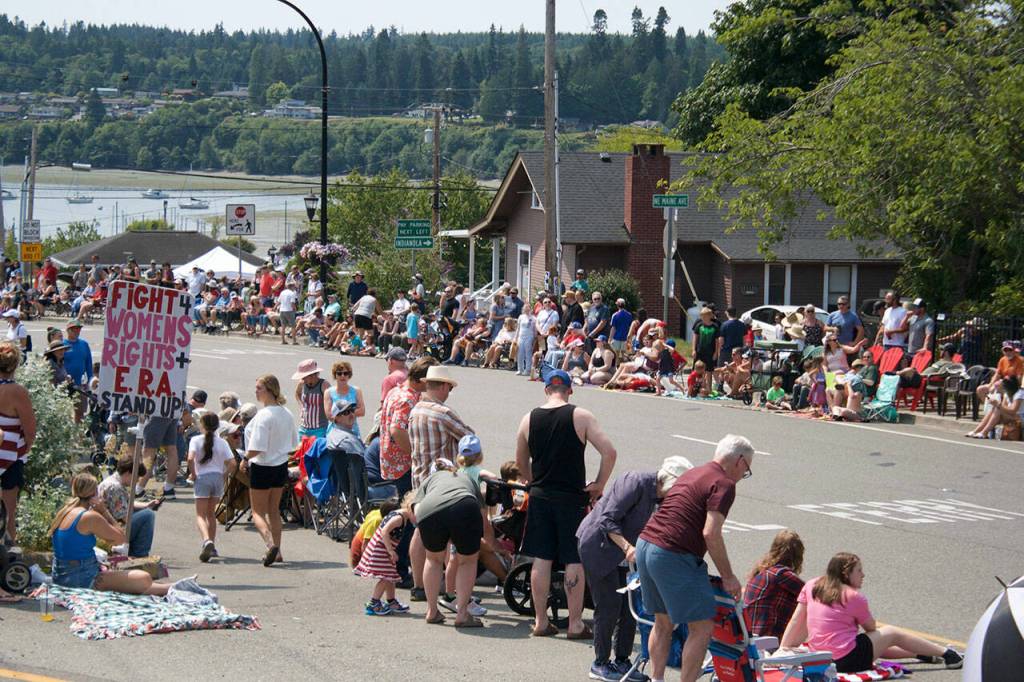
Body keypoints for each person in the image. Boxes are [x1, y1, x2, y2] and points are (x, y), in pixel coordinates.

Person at [637, 434, 754, 682]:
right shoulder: (724, 483)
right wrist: (729, 577)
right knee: (701, 627)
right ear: (740, 461)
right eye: (747, 470)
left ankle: (656, 678)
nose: (743, 476)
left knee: (662, 621)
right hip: (671, 553)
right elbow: (711, 533)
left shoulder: (694, 472)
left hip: (646, 544)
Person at [515, 369, 618, 638]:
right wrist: (599, 484)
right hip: (572, 497)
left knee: (542, 557)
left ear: (546, 389)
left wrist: (532, 481)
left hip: (540, 495)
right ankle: (575, 624)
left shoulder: (528, 419)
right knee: (574, 558)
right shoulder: (580, 416)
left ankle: (540, 621)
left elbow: (520, 463)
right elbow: (609, 452)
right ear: (570, 390)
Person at [576, 457, 691, 682]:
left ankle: (622, 661)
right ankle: (599, 663)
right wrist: (628, 547)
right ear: (669, 482)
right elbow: (607, 519)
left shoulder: (664, 498)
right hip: (599, 546)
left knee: (631, 608)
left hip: (627, 554)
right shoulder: (635, 482)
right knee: (609, 605)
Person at [780, 552, 963, 671]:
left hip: (821, 658)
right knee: (890, 632)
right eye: (859, 571)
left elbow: (798, 620)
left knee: (870, 643)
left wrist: (783, 648)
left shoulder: (812, 584)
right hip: (846, 660)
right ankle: (948, 654)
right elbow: (871, 628)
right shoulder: (853, 596)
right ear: (846, 574)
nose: (863, 575)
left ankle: (920, 653)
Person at [49, 473, 171, 595]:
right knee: (143, 578)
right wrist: (104, 511)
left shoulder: (65, 511)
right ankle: (175, 588)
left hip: (61, 577)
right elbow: (121, 538)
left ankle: (173, 588)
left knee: (141, 583)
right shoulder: (90, 517)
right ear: (94, 493)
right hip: (83, 578)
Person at [414, 465, 496, 628]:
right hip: (464, 506)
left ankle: (431, 611)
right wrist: (489, 542)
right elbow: (482, 514)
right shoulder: (467, 479)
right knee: (467, 561)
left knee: (433, 559)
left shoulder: (429, 480)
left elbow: (416, 507)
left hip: (428, 509)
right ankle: (462, 614)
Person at [241, 374, 300, 567]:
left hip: (262, 465)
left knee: (258, 511)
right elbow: (293, 443)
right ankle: (278, 551)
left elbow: (257, 446)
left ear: (270, 390)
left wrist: (245, 458)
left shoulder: (264, 415)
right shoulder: (286, 413)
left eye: (259, 388)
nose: (256, 391)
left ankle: (270, 544)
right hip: (280, 465)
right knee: (274, 510)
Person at [353, 491, 416, 616]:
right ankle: (373, 603)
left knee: (390, 576)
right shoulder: (399, 518)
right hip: (381, 550)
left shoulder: (401, 515)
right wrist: (390, 551)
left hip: (383, 549)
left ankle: (391, 601)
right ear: (410, 508)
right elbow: (384, 531)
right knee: (385, 577)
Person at [188, 412, 236, 562]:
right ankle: (212, 546)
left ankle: (206, 540)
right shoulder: (222, 442)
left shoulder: (196, 440)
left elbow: (190, 459)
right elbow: (233, 463)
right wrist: (224, 474)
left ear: (202, 425)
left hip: (202, 477)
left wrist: (193, 474)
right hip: (217, 478)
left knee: (200, 515)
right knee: (211, 514)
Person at [0, 341, 35, 544]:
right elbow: (30, 430)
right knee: (9, 513)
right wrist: (24, 450)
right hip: (11, 454)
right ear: (14, 366)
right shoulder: (17, 392)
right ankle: (10, 555)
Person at [743, 530, 805, 639]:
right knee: (807, 603)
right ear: (798, 555)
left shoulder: (761, 571)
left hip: (750, 634)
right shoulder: (781, 575)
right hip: (768, 639)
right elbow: (811, 592)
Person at [97, 456, 161, 558]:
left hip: (108, 526)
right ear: (128, 473)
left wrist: (146, 505)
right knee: (148, 515)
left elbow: (126, 503)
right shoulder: (115, 487)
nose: (136, 481)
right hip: (110, 530)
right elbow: (124, 517)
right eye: (136, 477)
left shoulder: (113, 481)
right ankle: (139, 554)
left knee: (145, 512)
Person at [324, 360, 365, 440]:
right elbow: (329, 415)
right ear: (335, 375)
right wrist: (349, 413)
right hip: (334, 432)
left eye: (345, 373)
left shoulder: (356, 390)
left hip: (353, 431)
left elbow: (362, 411)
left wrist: (341, 414)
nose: (342, 376)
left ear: (349, 375)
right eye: (339, 373)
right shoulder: (328, 392)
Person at [289, 359, 328, 438]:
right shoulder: (302, 383)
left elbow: (332, 401)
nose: (302, 379)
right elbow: (297, 393)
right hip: (304, 429)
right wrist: (302, 406)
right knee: (302, 450)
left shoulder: (324, 385)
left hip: (320, 429)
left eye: (304, 377)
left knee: (316, 450)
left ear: (313, 375)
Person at [62, 319, 93, 421]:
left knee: (80, 412)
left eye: (78, 329)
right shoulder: (62, 344)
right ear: (68, 330)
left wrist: (90, 379)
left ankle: (78, 435)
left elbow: (88, 362)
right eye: (74, 329)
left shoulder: (84, 344)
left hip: (80, 384)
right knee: (63, 411)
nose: (77, 331)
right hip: (65, 384)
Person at [977, 339, 1023, 403]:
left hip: (1014, 386)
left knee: (997, 387)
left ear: (1013, 350)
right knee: (980, 389)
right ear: (1003, 351)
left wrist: (1000, 383)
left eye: (1010, 350)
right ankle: (989, 407)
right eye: (1005, 350)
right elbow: (997, 375)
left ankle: (1000, 410)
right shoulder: (1002, 360)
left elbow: (1019, 379)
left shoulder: (1020, 361)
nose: (1008, 352)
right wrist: (990, 385)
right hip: (1002, 384)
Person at [515, 304, 537, 376]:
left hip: (529, 336)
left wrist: (535, 338)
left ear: (531, 309)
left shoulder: (533, 318)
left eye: (528, 308)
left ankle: (527, 370)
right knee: (520, 353)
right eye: (525, 308)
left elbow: (534, 329)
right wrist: (516, 337)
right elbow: (518, 328)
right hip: (521, 336)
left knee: (528, 353)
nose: (527, 309)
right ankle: (520, 369)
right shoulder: (521, 317)